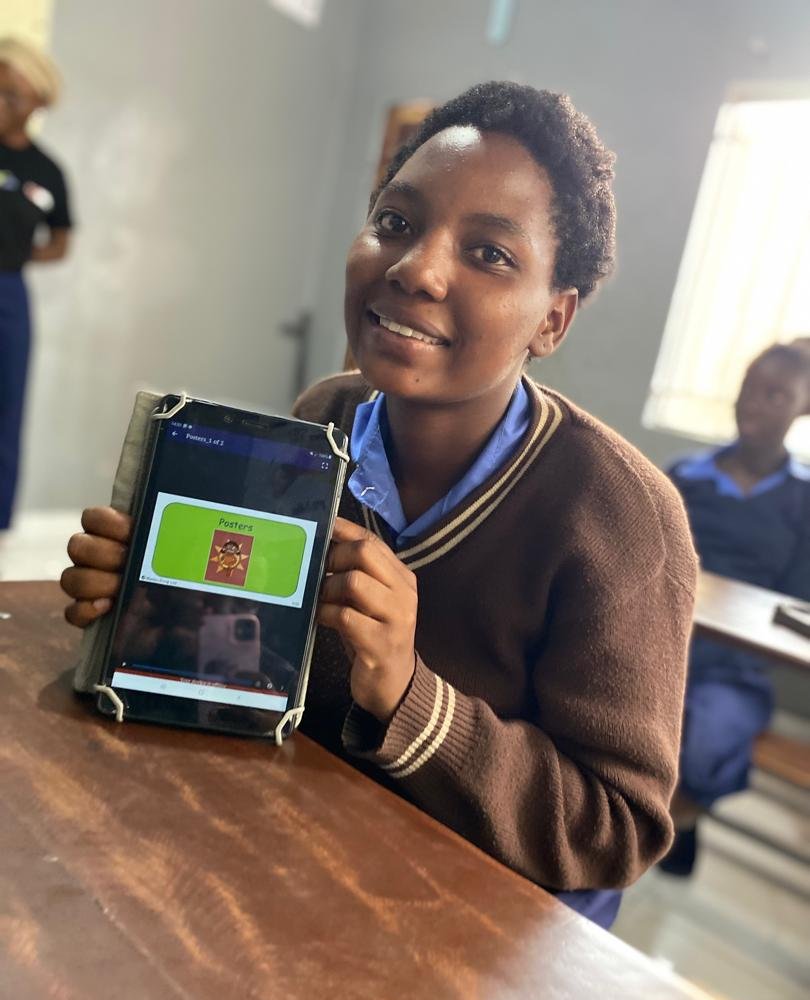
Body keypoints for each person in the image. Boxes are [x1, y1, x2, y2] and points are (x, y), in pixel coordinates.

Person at [61, 82, 697, 929]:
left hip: (475, 937)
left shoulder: (620, 516)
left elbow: (615, 830)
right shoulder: (323, 417)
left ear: (553, 319)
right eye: (396, 222)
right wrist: (152, 605)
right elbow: (257, 672)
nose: (417, 268)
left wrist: (407, 694)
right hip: (301, 858)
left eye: (491, 254)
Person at [661, 340, 810, 875]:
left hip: (736, 665)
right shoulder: (686, 477)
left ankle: (673, 825)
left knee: (706, 738)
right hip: (661, 644)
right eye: (749, 390)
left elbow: (796, 605)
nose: (754, 405)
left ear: (802, 408)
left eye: (775, 395)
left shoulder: (803, 501)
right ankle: (655, 828)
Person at [0, 37, 72, 530]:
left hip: (8, 294)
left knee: (6, 407)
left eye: (13, 95)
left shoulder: (46, 171)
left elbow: (61, 242)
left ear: (39, 102)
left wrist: (19, 253)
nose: (2, 103)